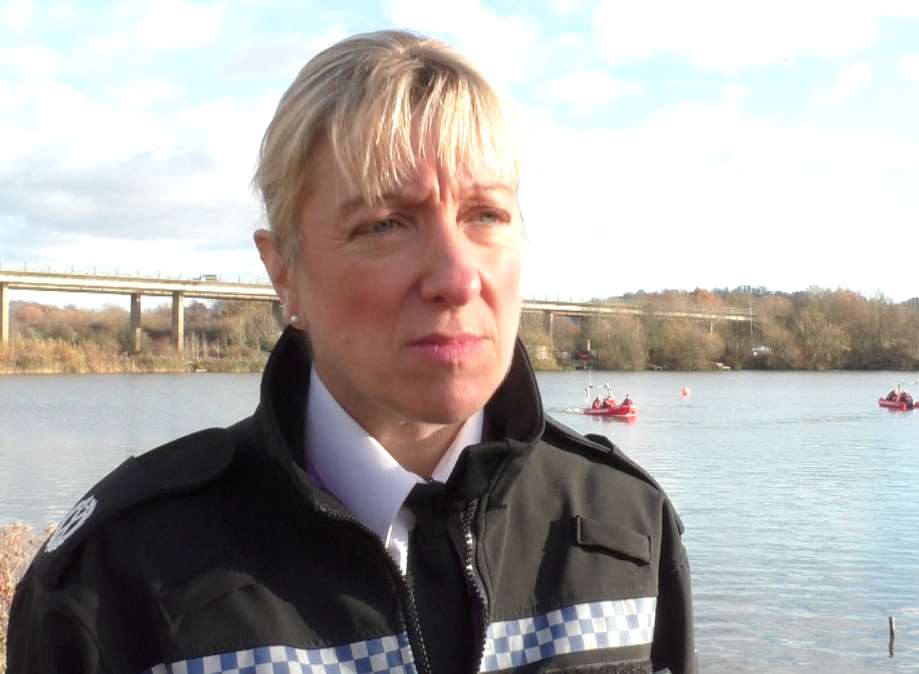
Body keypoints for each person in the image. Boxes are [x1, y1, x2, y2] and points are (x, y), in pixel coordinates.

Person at [7, 30, 695, 674]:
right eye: (384, 224)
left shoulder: (624, 525)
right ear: (283, 272)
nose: (457, 277)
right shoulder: (113, 578)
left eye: (485, 215)